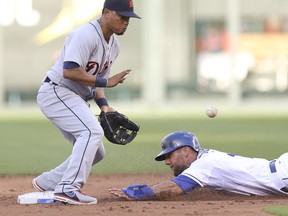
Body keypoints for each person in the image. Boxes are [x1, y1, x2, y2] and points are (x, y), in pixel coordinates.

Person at [32, 0, 141, 205]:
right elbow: (70, 71)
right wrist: (106, 82)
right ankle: (67, 189)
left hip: (73, 97)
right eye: (122, 16)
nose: (126, 22)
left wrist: (104, 105)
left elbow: (96, 82)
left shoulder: (113, 46)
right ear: (106, 12)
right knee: (91, 132)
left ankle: (47, 182)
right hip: (57, 91)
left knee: (97, 152)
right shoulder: (86, 34)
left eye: (129, 18)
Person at [109, 131, 288, 200]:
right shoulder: (205, 160)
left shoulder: (204, 164)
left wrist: (144, 192)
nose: (167, 162)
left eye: (169, 155)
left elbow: (177, 186)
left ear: (186, 151)